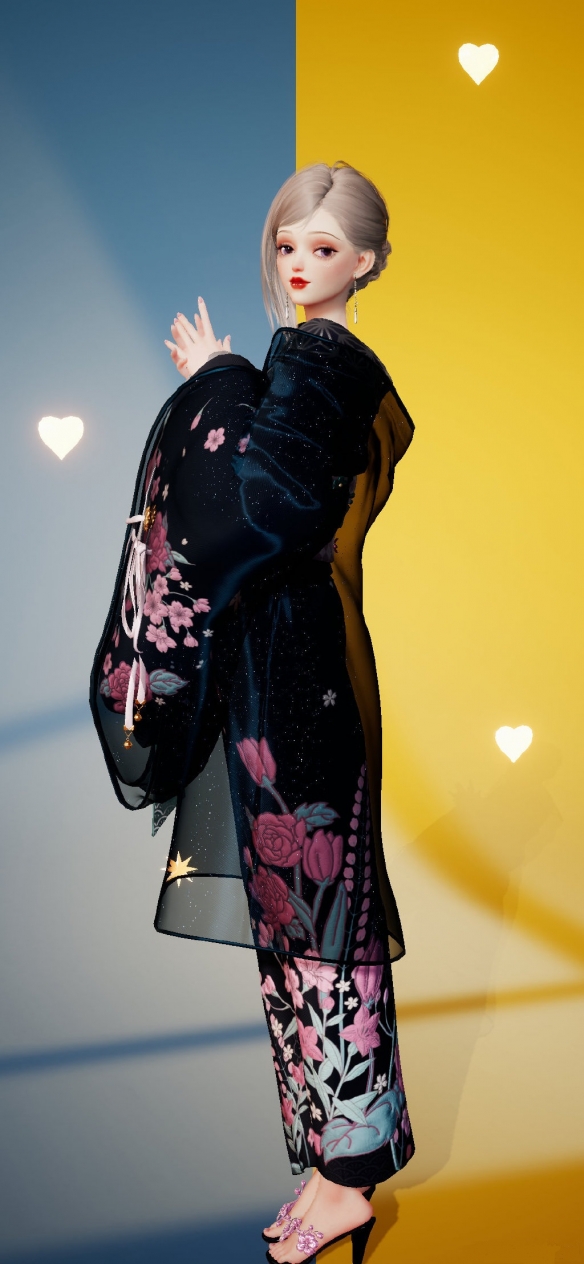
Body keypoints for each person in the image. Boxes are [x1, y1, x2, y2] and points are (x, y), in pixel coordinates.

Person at [91, 161, 415, 1264]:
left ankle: (348, 1176)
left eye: (323, 247)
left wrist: (215, 378)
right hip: (297, 663)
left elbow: (257, 510)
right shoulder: (335, 371)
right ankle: (330, 1163)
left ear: (365, 261)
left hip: (297, 672)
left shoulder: (315, 358)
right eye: (287, 243)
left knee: (322, 922)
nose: (299, 263)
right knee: (303, 917)